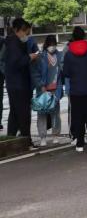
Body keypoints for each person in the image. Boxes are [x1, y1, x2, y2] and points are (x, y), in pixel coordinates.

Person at [5, 18, 38, 148]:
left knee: (14, 113)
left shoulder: (14, 42)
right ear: (17, 30)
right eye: (25, 32)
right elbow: (16, 63)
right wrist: (30, 57)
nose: (26, 35)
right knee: (23, 114)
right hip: (19, 84)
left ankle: (10, 140)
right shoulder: (14, 43)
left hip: (14, 84)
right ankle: (26, 141)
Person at [62, 27, 87, 152]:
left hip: (75, 90)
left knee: (78, 117)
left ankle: (80, 144)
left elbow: (66, 73)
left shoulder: (68, 54)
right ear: (84, 36)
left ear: (73, 37)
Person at [36, 35, 64, 146]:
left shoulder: (59, 55)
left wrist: (60, 88)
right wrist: (41, 85)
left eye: (54, 44)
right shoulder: (41, 57)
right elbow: (36, 73)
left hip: (55, 89)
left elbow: (61, 74)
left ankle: (55, 135)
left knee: (55, 114)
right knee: (42, 114)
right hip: (42, 90)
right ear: (46, 45)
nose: (52, 47)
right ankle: (42, 137)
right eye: (50, 44)